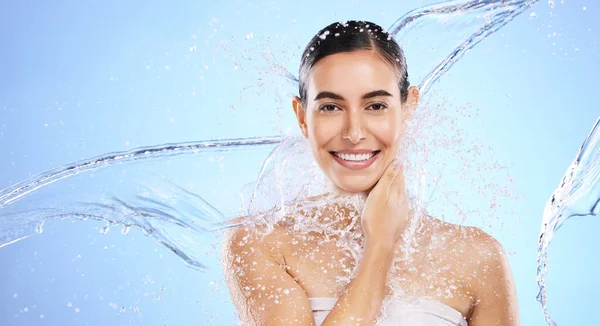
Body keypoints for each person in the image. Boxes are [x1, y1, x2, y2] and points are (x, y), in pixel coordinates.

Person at [222, 20, 519, 325]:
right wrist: (379, 245)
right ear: (302, 117)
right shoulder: (260, 241)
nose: (353, 133)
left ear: (407, 109)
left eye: (375, 106)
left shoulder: (478, 256)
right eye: (330, 107)